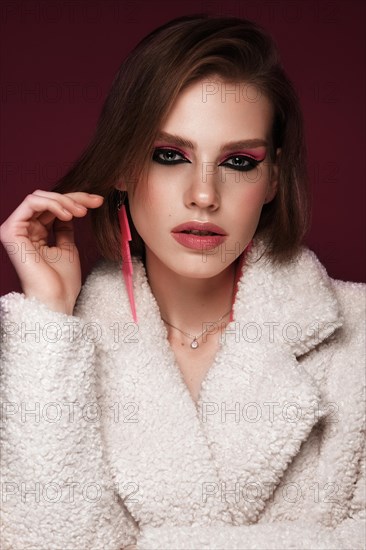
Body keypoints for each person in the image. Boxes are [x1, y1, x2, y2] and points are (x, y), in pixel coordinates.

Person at [0, 14, 364, 550]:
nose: (203, 194)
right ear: (123, 166)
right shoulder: (47, 355)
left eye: (239, 161)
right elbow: (37, 537)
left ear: (273, 180)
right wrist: (50, 317)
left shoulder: (359, 339)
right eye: (170, 155)